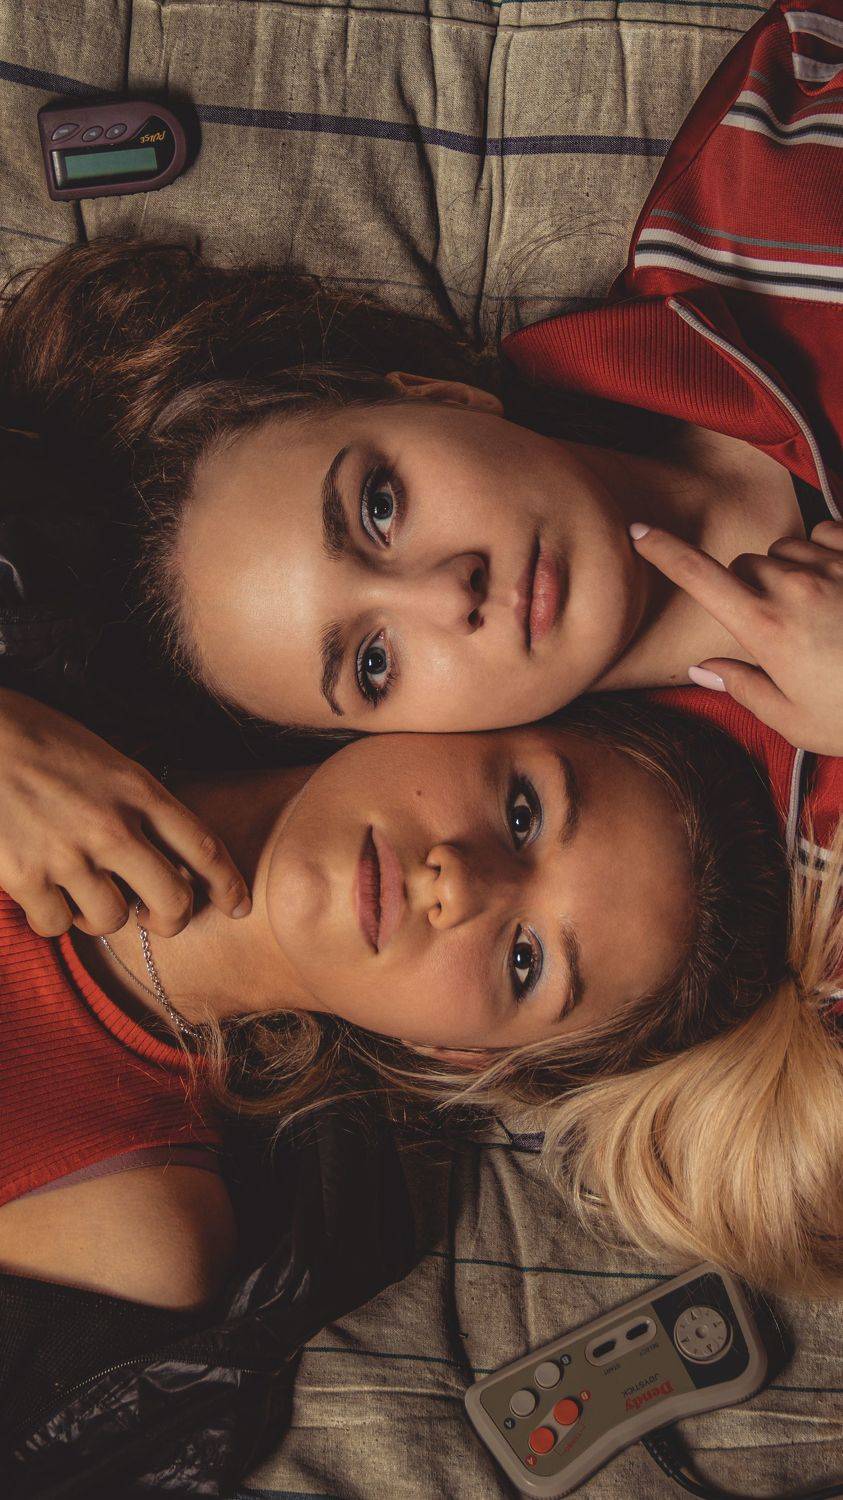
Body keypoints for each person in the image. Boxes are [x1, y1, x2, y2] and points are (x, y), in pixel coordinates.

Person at [1, 0, 842, 933]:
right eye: (372, 664)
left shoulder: (775, 162)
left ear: (441, 394)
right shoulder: (794, 896)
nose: (448, 594)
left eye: (379, 506)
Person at [1, 694, 840, 1317]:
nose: (461, 883)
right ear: (467, 711)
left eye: (524, 962)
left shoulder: (135, 1226)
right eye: (522, 813)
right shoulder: (57, 624)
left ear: (464, 1055)